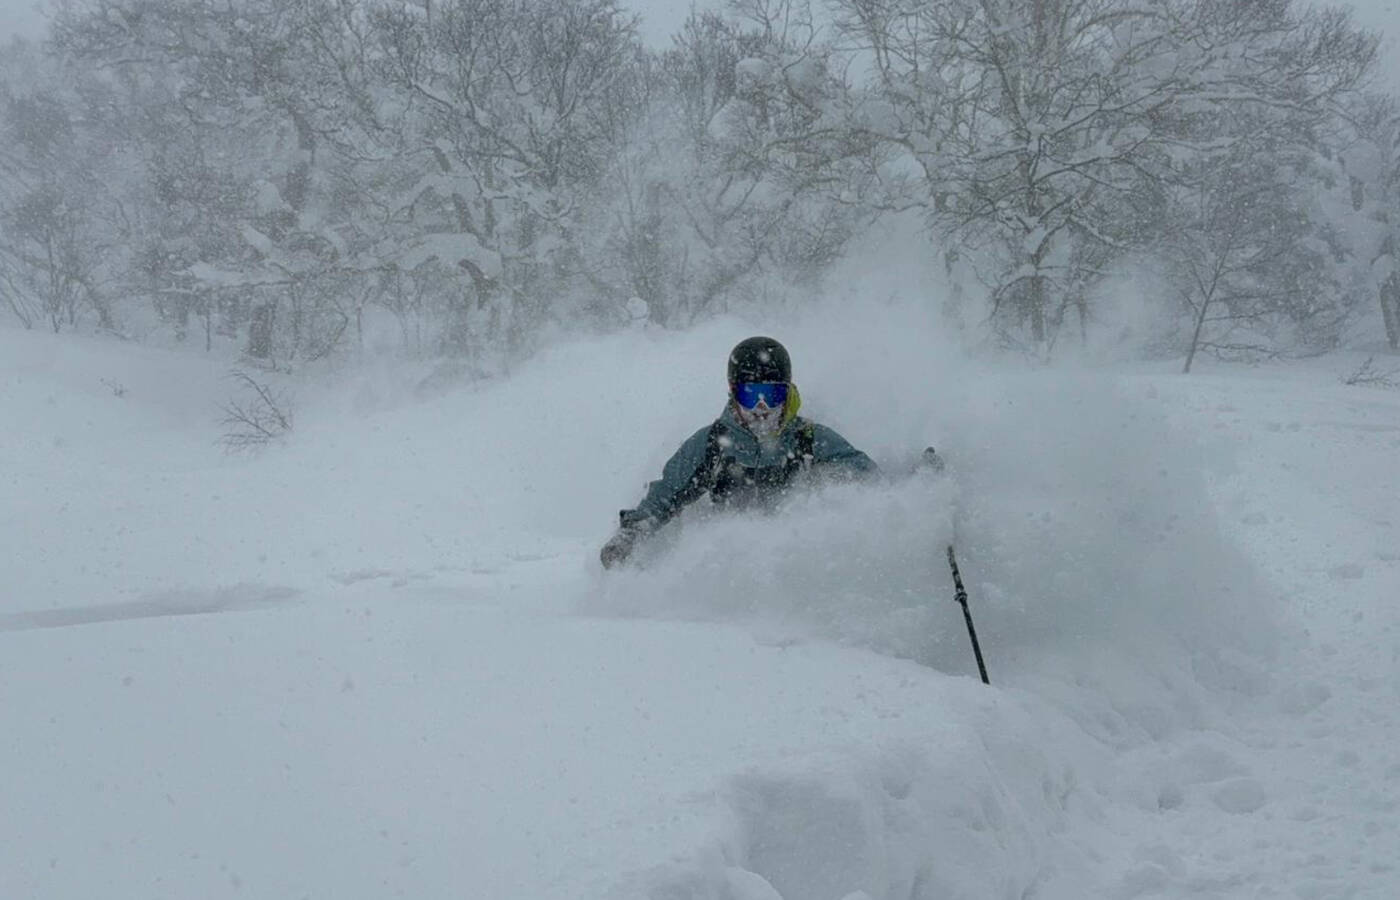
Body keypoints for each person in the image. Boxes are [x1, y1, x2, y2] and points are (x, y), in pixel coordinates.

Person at [600, 336, 879, 569]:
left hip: (799, 561)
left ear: (788, 393)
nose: (761, 407)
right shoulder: (712, 445)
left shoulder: (808, 439)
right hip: (731, 567)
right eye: (750, 395)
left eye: (772, 395)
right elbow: (666, 495)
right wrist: (631, 534)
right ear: (733, 393)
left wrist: (914, 485)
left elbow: (868, 478)